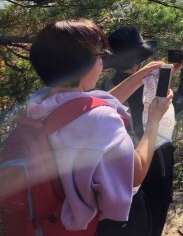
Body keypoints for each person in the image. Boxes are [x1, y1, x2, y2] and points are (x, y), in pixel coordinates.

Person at [25, 19, 173, 233]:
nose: (104, 61)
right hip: (107, 223)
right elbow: (136, 173)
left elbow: (98, 102)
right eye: (101, 55)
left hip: (57, 211)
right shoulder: (100, 120)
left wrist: (141, 75)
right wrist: (154, 120)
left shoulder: (40, 103)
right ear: (82, 63)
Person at [102, 26, 183, 236]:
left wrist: (172, 70)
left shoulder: (107, 88)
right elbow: (179, 103)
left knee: (132, 214)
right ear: (139, 58)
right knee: (154, 213)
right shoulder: (151, 85)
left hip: (122, 161)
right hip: (155, 159)